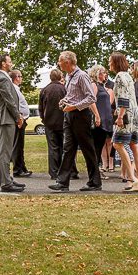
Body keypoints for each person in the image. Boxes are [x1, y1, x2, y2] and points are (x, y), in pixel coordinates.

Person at [50, 50, 102, 192]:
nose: (58, 64)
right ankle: (62, 182)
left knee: (87, 148)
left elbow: (91, 98)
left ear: (67, 62)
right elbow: (73, 95)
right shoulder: (69, 76)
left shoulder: (82, 76)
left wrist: (74, 106)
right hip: (69, 116)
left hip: (81, 116)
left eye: (60, 61)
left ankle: (95, 182)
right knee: (68, 148)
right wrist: (65, 101)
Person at [110, 52, 138, 192]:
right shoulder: (128, 76)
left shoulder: (119, 77)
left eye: (110, 61)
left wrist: (119, 117)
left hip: (126, 116)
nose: (109, 64)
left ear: (115, 62)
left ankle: (132, 178)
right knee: (134, 145)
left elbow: (123, 99)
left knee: (117, 144)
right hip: (135, 115)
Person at [0, 54, 24, 192]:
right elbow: (9, 100)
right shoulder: (2, 79)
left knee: (6, 151)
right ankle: (5, 183)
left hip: (7, 119)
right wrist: (18, 117)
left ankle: (8, 179)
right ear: (4, 64)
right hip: (6, 119)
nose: (11, 63)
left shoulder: (4, 78)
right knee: (5, 152)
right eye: (9, 61)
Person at [39, 69, 76, 180]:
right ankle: (71, 171)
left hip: (49, 123)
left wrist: (43, 119)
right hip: (63, 121)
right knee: (67, 147)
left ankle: (54, 172)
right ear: (60, 76)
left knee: (53, 148)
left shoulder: (44, 90)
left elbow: (41, 108)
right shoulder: (64, 89)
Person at [88, 65, 113, 178]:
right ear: (98, 73)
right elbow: (91, 101)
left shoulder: (102, 86)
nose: (105, 75)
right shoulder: (94, 85)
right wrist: (97, 116)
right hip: (99, 121)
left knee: (99, 145)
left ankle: (96, 170)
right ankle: (95, 171)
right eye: (103, 72)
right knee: (96, 147)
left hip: (105, 121)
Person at [11, 69, 32, 177]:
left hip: (22, 119)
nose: (21, 78)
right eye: (20, 76)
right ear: (16, 78)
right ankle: (17, 170)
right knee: (17, 146)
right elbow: (15, 104)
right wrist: (19, 117)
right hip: (19, 120)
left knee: (20, 145)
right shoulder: (14, 89)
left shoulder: (16, 89)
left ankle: (22, 168)